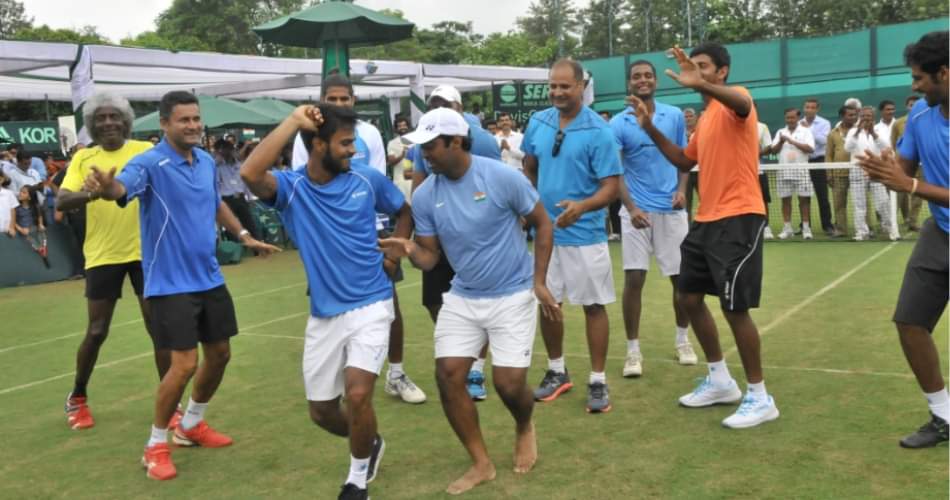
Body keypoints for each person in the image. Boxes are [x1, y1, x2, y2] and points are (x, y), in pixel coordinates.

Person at [83, 90, 279, 481]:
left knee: (220, 354)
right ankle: (155, 444)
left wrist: (242, 234)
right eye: (183, 120)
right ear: (165, 123)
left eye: (195, 119)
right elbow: (122, 188)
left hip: (208, 276)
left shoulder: (205, 160)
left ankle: (191, 425)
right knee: (184, 364)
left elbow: (214, 203)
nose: (192, 125)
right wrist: (107, 188)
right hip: (169, 283)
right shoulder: (149, 163)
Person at [380, 107, 558, 495]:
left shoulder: (502, 177)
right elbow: (431, 258)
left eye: (430, 146)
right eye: (420, 147)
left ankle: (524, 424)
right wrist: (410, 248)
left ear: (456, 141)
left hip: (513, 292)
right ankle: (481, 462)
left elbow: (543, 222)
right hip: (463, 296)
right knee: (448, 376)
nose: (423, 154)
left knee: (509, 386)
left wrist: (539, 281)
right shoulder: (425, 194)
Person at [241, 104, 409, 500]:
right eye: (346, 143)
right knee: (321, 412)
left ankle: (356, 479)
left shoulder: (367, 180)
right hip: (324, 313)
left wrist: (393, 255)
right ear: (318, 146)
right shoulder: (292, 188)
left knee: (357, 393)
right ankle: (370, 442)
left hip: (372, 302)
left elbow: (404, 209)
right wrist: (292, 122)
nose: (353, 150)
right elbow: (250, 173)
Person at [627, 42, 778, 428]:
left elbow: (740, 104)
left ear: (722, 71)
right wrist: (648, 127)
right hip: (706, 218)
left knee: (733, 308)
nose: (695, 72)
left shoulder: (736, 101)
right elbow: (683, 159)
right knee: (688, 296)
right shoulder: (708, 117)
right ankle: (720, 381)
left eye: (704, 66)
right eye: (692, 67)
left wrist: (702, 83)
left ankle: (760, 397)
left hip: (740, 216)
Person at [293, 73, 425, 405]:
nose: (338, 103)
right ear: (321, 99)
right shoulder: (306, 134)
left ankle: (396, 373)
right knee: (331, 301)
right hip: (324, 237)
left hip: (371, 229)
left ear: (354, 99)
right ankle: (342, 369)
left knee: (388, 301)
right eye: (332, 98)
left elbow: (378, 181)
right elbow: (304, 183)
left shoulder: (367, 133)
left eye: (344, 98)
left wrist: (390, 250)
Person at [55, 93, 174, 431]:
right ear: (92, 124)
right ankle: (77, 396)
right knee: (96, 330)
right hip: (103, 255)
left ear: (126, 120)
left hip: (146, 252)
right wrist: (95, 192)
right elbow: (62, 201)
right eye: (101, 118)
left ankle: (172, 401)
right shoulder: (84, 158)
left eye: (114, 116)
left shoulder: (145, 151)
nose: (108, 122)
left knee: (158, 329)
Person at [855, 30, 948, 448]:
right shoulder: (921, 120)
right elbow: (904, 168)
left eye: (919, 79)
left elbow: (910, 184)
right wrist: (885, 168)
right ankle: (943, 415)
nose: (913, 87)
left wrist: (909, 186)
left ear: (944, 73)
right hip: (940, 231)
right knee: (910, 321)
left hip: (935, 217)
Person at [522, 59, 622, 413]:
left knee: (594, 307)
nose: (558, 92)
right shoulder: (538, 122)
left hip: (586, 235)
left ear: (581, 86)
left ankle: (597, 380)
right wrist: (530, 205)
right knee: (548, 304)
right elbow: (529, 164)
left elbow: (611, 186)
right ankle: (556, 371)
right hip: (546, 236)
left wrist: (582, 206)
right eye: (553, 86)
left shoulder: (599, 130)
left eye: (565, 86)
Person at [410, 84, 502, 401]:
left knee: (482, 305)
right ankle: (459, 352)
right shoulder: (423, 140)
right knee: (435, 300)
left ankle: (475, 369)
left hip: (477, 239)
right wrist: (417, 234)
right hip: (439, 233)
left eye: (445, 104)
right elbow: (419, 187)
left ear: (459, 108)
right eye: (433, 103)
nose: (437, 108)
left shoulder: (485, 141)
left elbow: (496, 186)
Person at [609, 59, 696, 379]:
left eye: (648, 75)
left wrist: (682, 190)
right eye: (636, 77)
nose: (643, 80)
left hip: (671, 212)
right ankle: (633, 351)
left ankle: (682, 340)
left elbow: (684, 159)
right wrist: (631, 209)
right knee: (634, 280)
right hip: (636, 213)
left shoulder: (673, 116)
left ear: (656, 81)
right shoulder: (618, 123)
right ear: (629, 84)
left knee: (681, 280)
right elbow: (615, 171)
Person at [846, 106, 894, 240]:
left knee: (883, 202)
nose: (866, 118)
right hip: (857, 171)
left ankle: (888, 228)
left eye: (868, 116)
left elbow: (886, 148)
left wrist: (874, 134)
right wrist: (857, 132)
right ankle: (861, 232)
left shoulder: (879, 130)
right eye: (863, 116)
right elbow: (847, 148)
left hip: (876, 171)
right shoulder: (853, 131)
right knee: (859, 204)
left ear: (873, 117)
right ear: (859, 117)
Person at [769, 108, 816, 240]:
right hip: (784, 172)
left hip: (801, 172)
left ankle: (806, 229)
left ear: (797, 118)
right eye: (788, 118)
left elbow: (810, 149)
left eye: (792, 118)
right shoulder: (780, 132)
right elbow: (773, 151)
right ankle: (787, 228)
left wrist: (792, 141)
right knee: (785, 201)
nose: (790, 120)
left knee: (804, 201)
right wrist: (781, 141)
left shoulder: (806, 131)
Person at [799, 98, 834, 234]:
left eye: (812, 107)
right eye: (807, 107)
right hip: (803, 162)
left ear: (817, 109)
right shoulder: (798, 123)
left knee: (822, 195)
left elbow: (824, 140)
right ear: (804, 108)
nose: (809, 110)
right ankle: (805, 225)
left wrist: (809, 131)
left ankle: (827, 225)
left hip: (818, 161)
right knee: (803, 196)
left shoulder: (825, 123)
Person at [215, 139, 259, 243]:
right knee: (230, 223)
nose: (230, 152)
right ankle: (235, 248)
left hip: (240, 196)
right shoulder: (218, 166)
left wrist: (250, 197)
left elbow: (245, 182)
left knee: (249, 222)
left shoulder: (240, 165)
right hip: (226, 198)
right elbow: (216, 183)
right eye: (226, 150)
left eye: (231, 150)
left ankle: (257, 245)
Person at [825, 105, 859, 237]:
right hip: (838, 173)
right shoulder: (833, 133)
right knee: (839, 203)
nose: (853, 117)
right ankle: (841, 229)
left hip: (857, 172)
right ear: (842, 116)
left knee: (861, 202)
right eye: (850, 115)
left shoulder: (860, 131)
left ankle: (865, 228)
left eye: (855, 115)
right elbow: (828, 154)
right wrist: (829, 173)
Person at [892, 95, 924, 231]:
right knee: (898, 193)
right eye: (911, 104)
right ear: (907, 106)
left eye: (916, 104)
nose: (913, 107)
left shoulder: (925, 120)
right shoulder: (898, 123)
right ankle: (891, 223)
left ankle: (913, 222)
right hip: (903, 164)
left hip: (922, 164)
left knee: (918, 195)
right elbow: (893, 142)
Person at [14, 185, 47, 264]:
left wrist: (40, 224)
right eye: (20, 192)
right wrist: (20, 229)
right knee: (31, 240)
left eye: (24, 192)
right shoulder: (16, 208)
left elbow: (39, 216)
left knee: (42, 235)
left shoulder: (35, 207)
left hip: (34, 229)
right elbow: (13, 221)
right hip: (24, 232)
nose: (20, 194)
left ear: (29, 197)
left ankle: (43, 248)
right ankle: (40, 250)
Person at [757, 116, 775, 239]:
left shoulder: (762, 127)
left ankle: (766, 227)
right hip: (738, 172)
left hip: (758, 170)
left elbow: (769, 147)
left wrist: (757, 153)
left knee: (763, 199)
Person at [386, 116, 414, 198]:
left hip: (415, 178)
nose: (402, 128)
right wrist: (402, 155)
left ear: (408, 126)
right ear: (396, 128)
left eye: (404, 125)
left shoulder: (416, 141)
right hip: (400, 181)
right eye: (400, 126)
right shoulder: (392, 143)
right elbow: (391, 162)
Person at [682, 107, 700, 220]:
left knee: (706, 200)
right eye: (686, 117)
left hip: (701, 171)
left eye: (690, 116)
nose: (688, 119)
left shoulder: (702, 131)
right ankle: (687, 230)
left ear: (696, 118)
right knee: (686, 202)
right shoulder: (678, 133)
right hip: (685, 172)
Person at [0, 171, 16, 237]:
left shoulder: (9, 193)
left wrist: (12, 227)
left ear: (2, 179)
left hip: (7, 231)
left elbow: (13, 211)